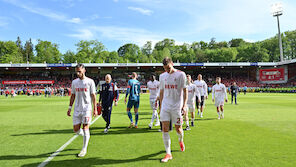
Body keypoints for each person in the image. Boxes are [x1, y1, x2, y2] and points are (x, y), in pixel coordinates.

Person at [159, 57, 187, 163]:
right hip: (166, 106)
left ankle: (181, 140)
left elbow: (185, 91)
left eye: (169, 68)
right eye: (165, 68)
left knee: (178, 129)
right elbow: (161, 92)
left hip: (177, 106)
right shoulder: (162, 76)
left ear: (172, 64)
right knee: (165, 128)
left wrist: (184, 106)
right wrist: (161, 107)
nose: (167, 70)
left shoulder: (181, 75)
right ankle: (168, 153)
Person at [67, 63, 97, 157]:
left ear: (84, 70)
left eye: (79, 71)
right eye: (77, 72)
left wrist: (95, 109)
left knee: (85, 128)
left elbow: (93, 96)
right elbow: (73, 95)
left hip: (87, 108)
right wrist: (69, 107)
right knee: (76, 129)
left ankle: (84, 149)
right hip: (77, 109)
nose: (78, 73)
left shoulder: (90, 82)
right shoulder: (74, 82)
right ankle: (86, 136)